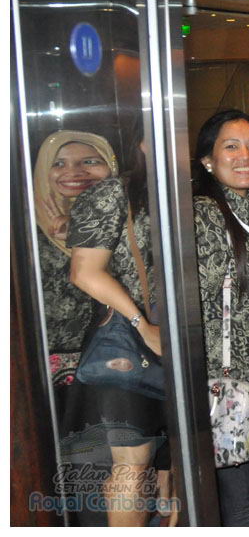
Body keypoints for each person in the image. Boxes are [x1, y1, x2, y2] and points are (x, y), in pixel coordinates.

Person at [67, 124, 166, 527]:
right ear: (141, 142)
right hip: (128, 342)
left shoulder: (179, 193)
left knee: (161, 461)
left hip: (173, 338)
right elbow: (84, 272)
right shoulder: (113, 192)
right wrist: (141, 323)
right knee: (133, 462)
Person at [192, 110, 249, 526]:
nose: (245, 156)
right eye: (231, 147)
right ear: (207, 160)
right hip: (228, 383)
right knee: (245, 501)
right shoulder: (203, 214)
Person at [32, 131, 117, 392]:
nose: (75, 171)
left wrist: (83, 233)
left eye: (90, 161)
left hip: (118, 361)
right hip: (43, 372)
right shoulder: (22, 231)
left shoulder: (134, 219)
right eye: (58, 163)